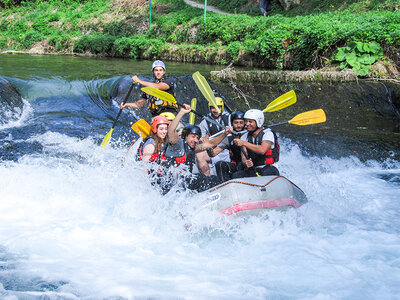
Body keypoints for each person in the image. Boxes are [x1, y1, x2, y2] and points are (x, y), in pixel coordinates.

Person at [161, 104, 233, 194]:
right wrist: (181, 112)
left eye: (197, 137)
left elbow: (211, 143)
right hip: (172, 182)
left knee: (213, 179)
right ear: (185, 136)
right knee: (199, 178)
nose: (195, 140)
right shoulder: (177, 143)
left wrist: (225, 134)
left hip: (184, 182)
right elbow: (171, 131)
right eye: (193, 136)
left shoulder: (194, 148)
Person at [232, 109, 280, 178]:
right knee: (237, 175)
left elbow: (262, 150)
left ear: (258, 122)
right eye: (246, 121)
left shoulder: (268, 134)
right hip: (254, 169)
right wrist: (246, 162)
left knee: (265, 173)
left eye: (250, 121)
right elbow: (243, 157)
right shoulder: (245, 137)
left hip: (269, 168)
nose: (247, 124)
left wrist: (244, 143)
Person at [208, 111, 246, 182]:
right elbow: (213, 153)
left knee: (237, 174)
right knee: (220, 164)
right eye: (236, 123)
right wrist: (207, 146)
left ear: (245, 123)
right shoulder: (229, 138)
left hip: (248, 166)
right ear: (232, 124)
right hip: (237, 166)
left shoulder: (248, 135)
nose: (238, 125)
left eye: (241, 123)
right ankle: (224, 185)